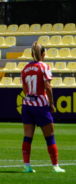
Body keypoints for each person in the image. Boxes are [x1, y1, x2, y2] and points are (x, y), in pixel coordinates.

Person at [20, 42, 64, 173]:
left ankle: (27, 166)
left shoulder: (24, 68)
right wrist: (51, 103)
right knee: (50, 137)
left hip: (27, 104)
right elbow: (48, 87)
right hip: (40, 105)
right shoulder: (45, 66)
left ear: (32, 54)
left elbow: (24, 88)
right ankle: (55, 166)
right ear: (43, 54)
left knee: (27, 136)